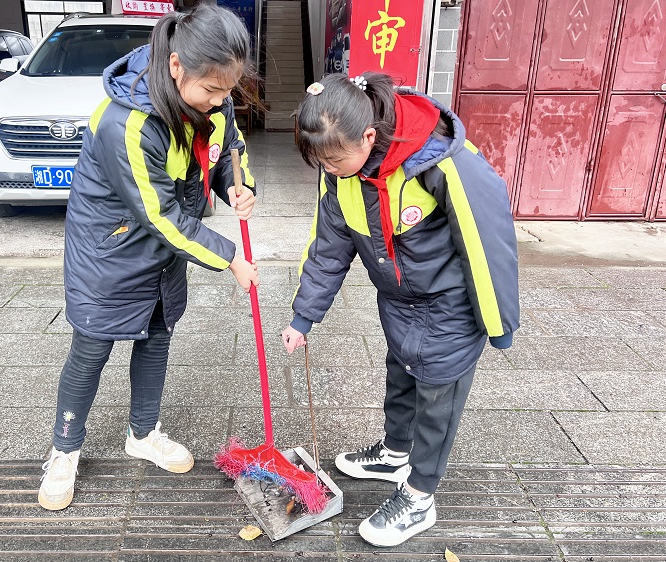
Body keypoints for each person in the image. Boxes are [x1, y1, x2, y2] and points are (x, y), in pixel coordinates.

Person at [281, 72, 519, 547]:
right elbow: (328, 250)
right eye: (320, 162)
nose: (329, 170)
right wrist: (303, 317)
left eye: (334, 159)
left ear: (368, 136)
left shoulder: (441, 161)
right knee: (402, 373)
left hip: (451, 304)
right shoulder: (341, 176)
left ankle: (420, 495)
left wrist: (498, 323)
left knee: (438, 399)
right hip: (399, 300)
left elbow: (487, 242)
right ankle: (394, 453)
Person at [38, 4, 259, 511]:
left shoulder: (211, 97)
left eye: (229, 91)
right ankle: (64, 449)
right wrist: (230, 258)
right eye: (212, 91)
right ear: (177, 65)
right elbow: (159, 215)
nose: (221, 102)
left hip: (162, 254)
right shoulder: (127, 124)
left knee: (157, 338)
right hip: (109, 252)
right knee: (91, 352)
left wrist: (235, 186)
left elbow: (228, 147)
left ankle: (143, 433)